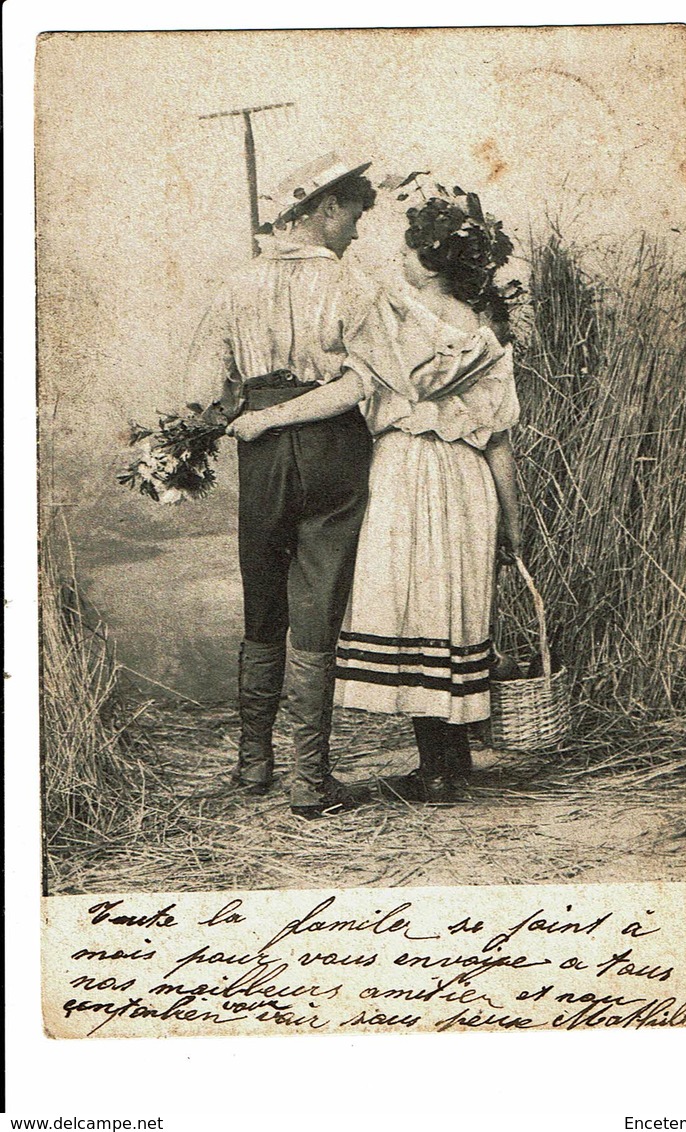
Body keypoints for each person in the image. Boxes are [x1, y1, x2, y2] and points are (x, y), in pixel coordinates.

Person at [228, 190, 522, 802]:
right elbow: (498, 440)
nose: (376, 241)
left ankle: (257, 762)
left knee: (393, 607)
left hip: (389, 471)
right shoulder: (483, 334)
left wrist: (259, 415)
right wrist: (513, 522)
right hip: (453, 479)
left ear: (428, 260)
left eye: (409, 247)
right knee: (447, 607)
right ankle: (379, 769)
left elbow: (361, 387)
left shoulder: (387, 310)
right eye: (356, 218)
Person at [187, 153, 380, 819]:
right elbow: (360, 383)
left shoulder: (238, 283)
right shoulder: (354, 286)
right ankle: (309, 781)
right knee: (318, 604)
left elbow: (203, 385)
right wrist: (289, 409)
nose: (357, 229)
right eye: (353, 213)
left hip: (261, 452)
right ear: (324, 208)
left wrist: (241, 418)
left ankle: (253, 764)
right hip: (331, 447)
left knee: (262, 595)